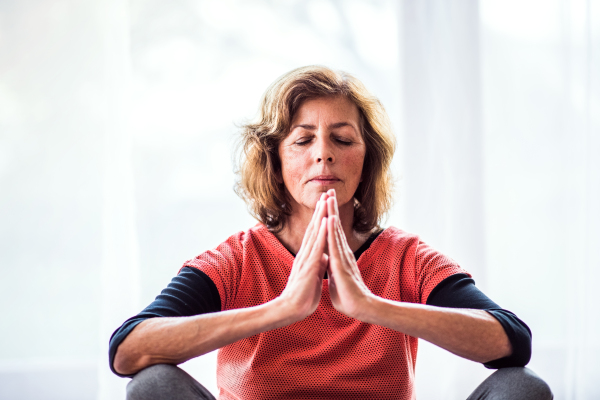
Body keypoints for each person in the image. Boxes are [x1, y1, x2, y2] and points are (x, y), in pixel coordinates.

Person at [109, 66, 552, 400]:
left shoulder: (406, 257)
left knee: (522, 387)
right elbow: (128, 352)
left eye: (342, 139)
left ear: (366, 161)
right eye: (303, 140)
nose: (324, 155)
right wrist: (280, 310)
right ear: (276, 162)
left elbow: (511, 343)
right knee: (153, 384)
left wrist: (370, 305)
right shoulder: (236, 259)